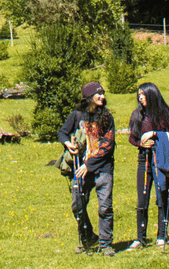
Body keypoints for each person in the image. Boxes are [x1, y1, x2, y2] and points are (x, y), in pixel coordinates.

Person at [58, 82, 116, 256]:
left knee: (104, 207)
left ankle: (106, 245)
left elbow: (108, 145)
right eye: (99, 94)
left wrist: (88, 165)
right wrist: (68, 144)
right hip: (80, 168)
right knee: (78, 205)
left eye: (103, 94)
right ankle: (87, 238)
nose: (103, 97)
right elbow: (62, 132)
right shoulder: (77, 115)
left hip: (103, 168)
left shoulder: (107, 117)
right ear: (89, 97)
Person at [127, 82, 169, 249]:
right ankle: (140, 238)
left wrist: (156, 135)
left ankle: (162, 235)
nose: (140, 98)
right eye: (138, 95)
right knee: (142, 197)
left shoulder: (165, 114)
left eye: (143, 94)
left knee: (162, 195)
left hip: (161, 157)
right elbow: (132, 137)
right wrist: (141, 143)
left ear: (152, 95)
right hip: (144, 159)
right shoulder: (137, 114)